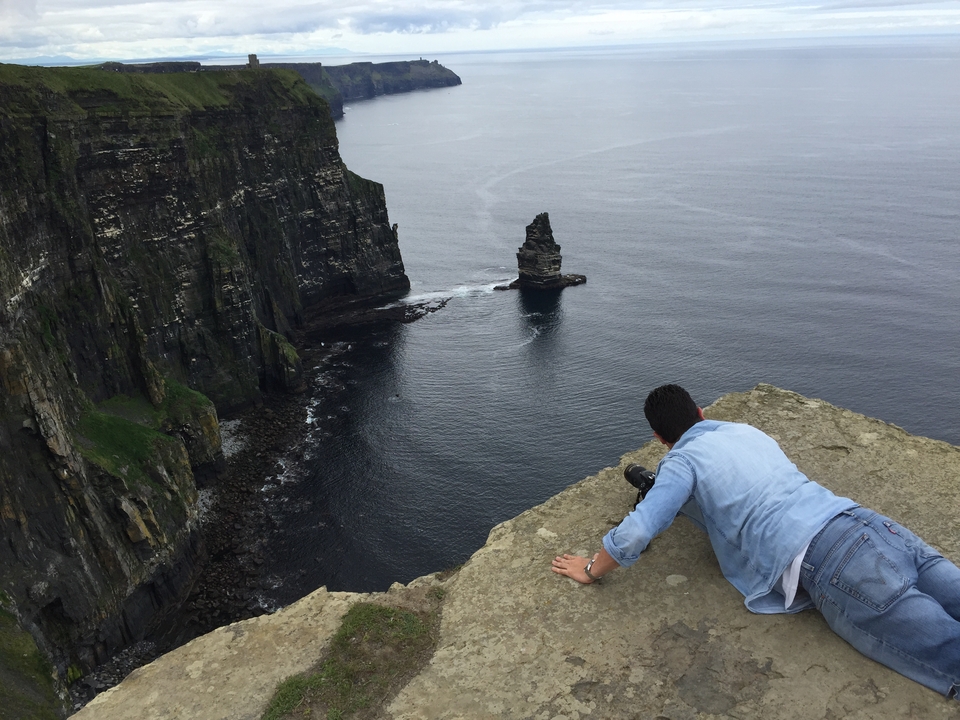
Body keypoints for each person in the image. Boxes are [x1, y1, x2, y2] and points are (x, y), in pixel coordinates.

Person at [551, 384, 960, 699]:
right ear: (701, 412)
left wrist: (591, 569)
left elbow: (639, 529)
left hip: (828, 556)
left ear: (660, 438)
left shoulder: (681, 461)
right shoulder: (744, 430)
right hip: (861, 520)